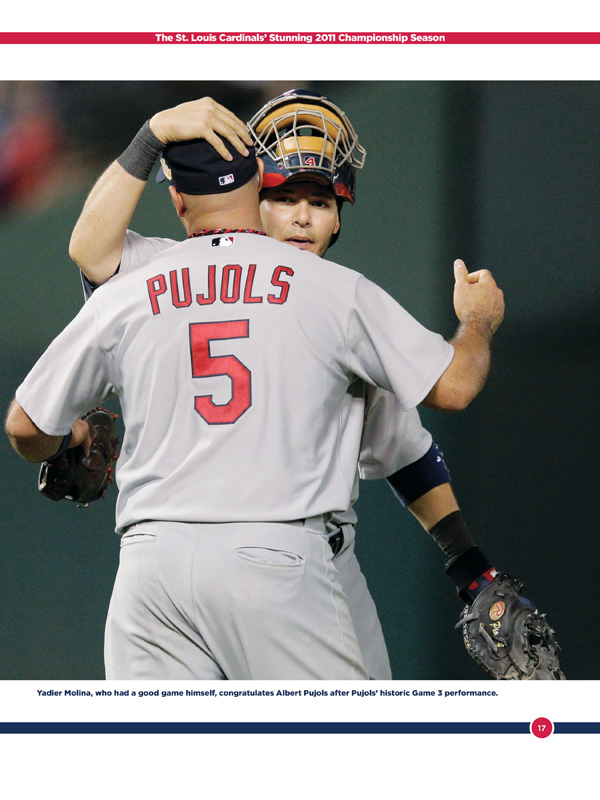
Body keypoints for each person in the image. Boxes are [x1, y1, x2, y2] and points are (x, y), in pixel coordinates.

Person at [6, 102, 504, 680]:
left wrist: (468, 564)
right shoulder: (337, 297)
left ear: (339, 215)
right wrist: (479, 322)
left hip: (171, 555)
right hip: (283, 557)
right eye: (285, 197)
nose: (300, 219)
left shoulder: (153, 282)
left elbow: (406, 453)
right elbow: (454, 387)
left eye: (318, 202)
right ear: (251, 193)